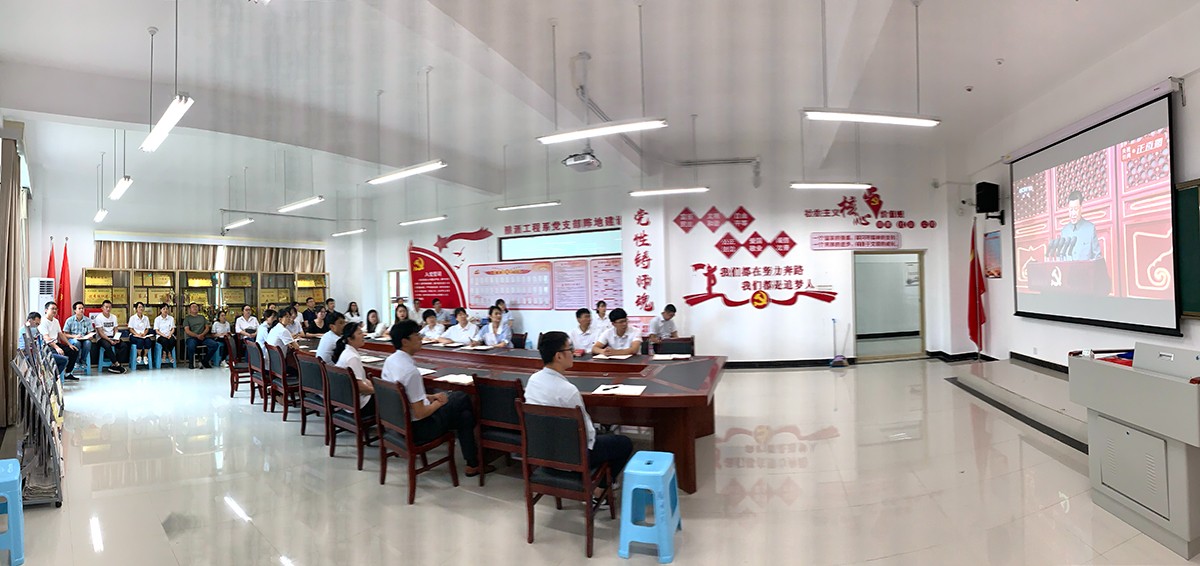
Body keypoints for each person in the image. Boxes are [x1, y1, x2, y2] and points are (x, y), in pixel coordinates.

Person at [526, 331, 633, 498]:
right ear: (558, 356)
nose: (574, 353)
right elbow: (588, 435)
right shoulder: (568, 391)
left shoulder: (533, 380)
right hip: (572, 455)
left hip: (542, 449)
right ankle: (599, 490)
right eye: (570, 349)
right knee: (623, 443)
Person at [381, 320, 490, 477]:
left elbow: (403, 396)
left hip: (398, 424)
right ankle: (477, 457)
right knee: (461, 397)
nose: (421, 338)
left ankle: (473, 463)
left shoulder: (391, 361)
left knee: (465, 416)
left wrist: (430, 397)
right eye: (417, 335)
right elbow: (420, 413)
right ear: (405, 341)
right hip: (420, 429)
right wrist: (439, 402)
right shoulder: (410, 372)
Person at [332, 322, 375, 414]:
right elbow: (360, 387)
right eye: (359, 333)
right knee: (389, 398)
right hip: (358, 405)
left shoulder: (347, 352)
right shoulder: (352, 357)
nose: (363, 335)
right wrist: (378, 391)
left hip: (347, 402)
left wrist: (374, 385)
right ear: (350, 339)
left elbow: (362, 380)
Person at [22, 312, 71, 381]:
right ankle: (52, 380)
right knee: (64, 360)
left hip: (40, 353)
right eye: (36, 324)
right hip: (35, 356)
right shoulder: (28, 330)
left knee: (61, 356)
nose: (37, 326)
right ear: (30, 321)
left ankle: (52, 379)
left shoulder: (31, 329)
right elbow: (24, 348)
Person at [40, 302, 80, 381]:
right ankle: (53, 377)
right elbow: (46, 338)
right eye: (52, 309)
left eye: (56, 309)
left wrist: (69, 344)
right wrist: (57, 348)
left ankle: (67, 373)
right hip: (47, 345)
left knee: (73, 351)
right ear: (46, 310)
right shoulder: (42, 321)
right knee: (60, 356)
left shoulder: (56, 321)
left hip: (56, 343)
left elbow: (60, 334)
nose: (54, 311)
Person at [1059, 190, 1101, 261]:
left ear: (1081, 208)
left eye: (1075, 209)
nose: (1073, 214)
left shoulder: (1090, 229)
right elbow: (1061, 257)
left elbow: (1097, 258)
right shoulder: (1064, 231)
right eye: (1071, 210)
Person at [93, 300, 129, 373]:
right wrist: (110, 340)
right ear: (102, 308)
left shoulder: (114, 317)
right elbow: (101, 333)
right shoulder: (98, 318)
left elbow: (116, 329)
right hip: (102, 338)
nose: (108, 309)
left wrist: (116, 338)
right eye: (106, 307)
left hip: (112, 336)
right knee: (107, 345)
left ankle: (114, 364)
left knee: (124, 345)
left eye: (109, 307)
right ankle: (117, 365)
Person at [182, 302, 221, 369]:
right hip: (192, 338)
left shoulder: (202, 317)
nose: (195, 308)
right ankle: (191, 363)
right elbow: (187, 331)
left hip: (203, 337)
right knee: (191, 345)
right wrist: (197, 336)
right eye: (193, 307)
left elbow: (207, 328)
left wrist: (202, 335)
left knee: (214, 344)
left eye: (196, 307)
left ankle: (205, 361)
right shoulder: (187, 318)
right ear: (190, 309)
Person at [62, 301, 95, 374]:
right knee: (77, 343)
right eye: (79, 308)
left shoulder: (88, 320)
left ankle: (83, 361)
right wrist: (74, 336)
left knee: (88, 343)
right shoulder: (69, 320)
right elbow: (65, 334)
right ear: (75, 310)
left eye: (83, 308)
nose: (81, 310)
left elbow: (90, 332)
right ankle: (76, 362)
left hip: (84, 339)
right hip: (73, 339)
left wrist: (90, 336)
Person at [127, 301, 154, 366]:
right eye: (139, 307)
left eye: (142, 307)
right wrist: (137, 334)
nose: (141, 308)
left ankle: (145, 356)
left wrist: (144, 334)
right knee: (140, 341)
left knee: (148, 341)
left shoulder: (146, 318)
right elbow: (130, 329)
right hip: (134, 335)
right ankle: (139, 355)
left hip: (143, 335)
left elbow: (147, 328)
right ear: (136, 309)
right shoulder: (132, 318)